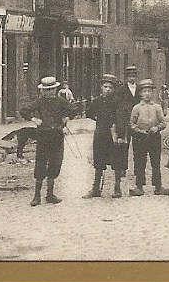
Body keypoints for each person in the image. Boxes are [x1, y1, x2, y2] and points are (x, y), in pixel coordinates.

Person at [21, 77, 75, 206]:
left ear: (55, 89)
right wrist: (34, 119)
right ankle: (36, 196)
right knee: (40, 163)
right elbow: (24, 110)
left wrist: (66, 118)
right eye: (46, 90)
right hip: (43, 136)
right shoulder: (39, 102)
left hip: (57, 135)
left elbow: (73, 109)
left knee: (55, 163)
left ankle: (50, 194)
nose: (49, 92)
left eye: (51, 89)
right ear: (42, 91)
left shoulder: (60, 101)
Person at [84, 74, 128, 199]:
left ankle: (117, 188)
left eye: (110, 87)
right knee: (98, 161)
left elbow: (122, 118)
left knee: (117, 162)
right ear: (101, 87)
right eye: (105, 87)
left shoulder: (118, 102)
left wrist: (120, 134)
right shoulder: (97, 101)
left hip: (114, 134)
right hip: (100, 133)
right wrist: (97, 118)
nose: (107, 89)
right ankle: (96, 189)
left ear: (114, 89)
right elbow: (89, 113)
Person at [128, 79, 169, 197]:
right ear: (140, 93)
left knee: (156, 162)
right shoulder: (136, 108)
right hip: (140, 138)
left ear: (153, 93)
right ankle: (139, 187)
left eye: (149, 91)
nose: (147, 93)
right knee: (139, 162)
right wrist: (139, 130)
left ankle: (158, 187)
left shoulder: (157, 107)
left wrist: (156, 128)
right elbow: (131, 124)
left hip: (154, 137)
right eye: (144, 91)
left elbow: (163, 123)